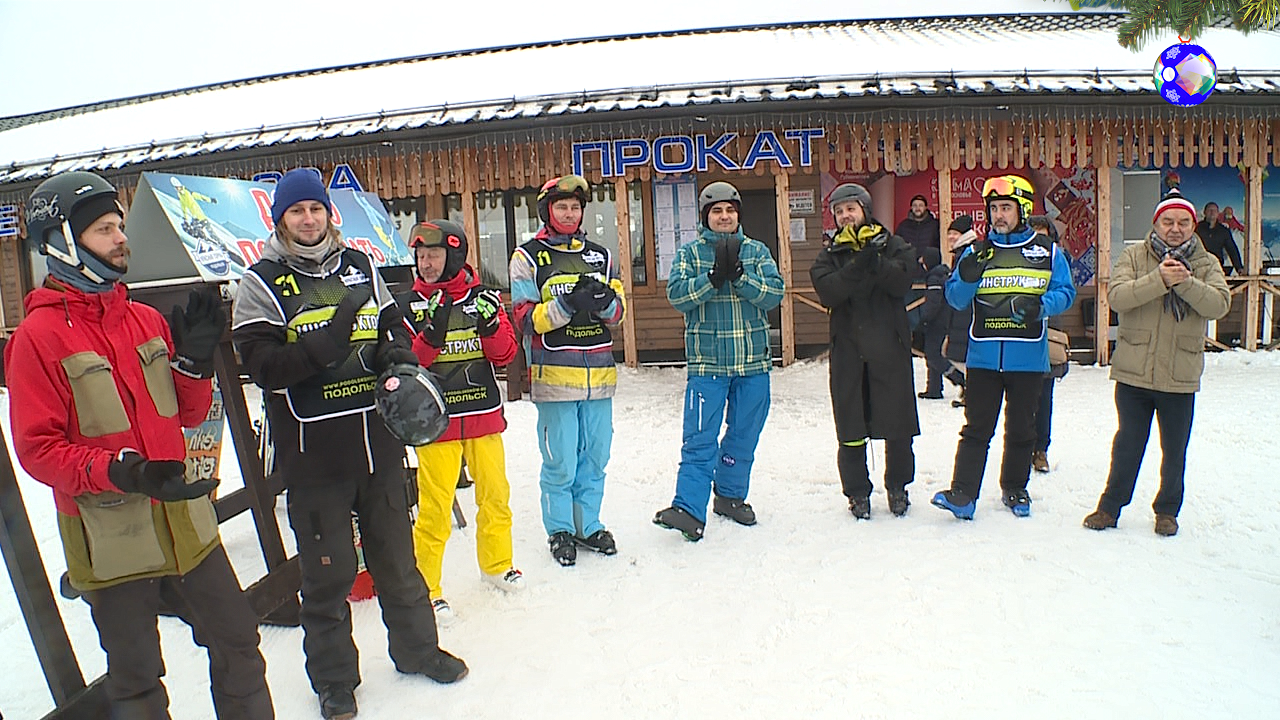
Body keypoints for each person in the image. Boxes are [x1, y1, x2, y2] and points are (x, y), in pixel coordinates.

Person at [6, 171, 273, 719]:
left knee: (239, 644)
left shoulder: (145, 319)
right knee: (136, 682)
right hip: (110, 538)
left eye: (120, 225)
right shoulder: (38, 339)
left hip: (185, 523)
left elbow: (191, 411)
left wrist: (196, 364)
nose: (121, 238)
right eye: (105, 229)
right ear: (61, 242)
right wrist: (121, 471)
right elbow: (38, 450)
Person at [231, 169, 466, 720]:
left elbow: (393, 329)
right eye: (297, 212)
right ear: (280, 219)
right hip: (314, 457)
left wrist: (396, 355)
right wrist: (325, 346)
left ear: (328, 215)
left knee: (397, 561)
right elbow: (263, 368)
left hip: (377, 444)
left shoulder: (360, 267)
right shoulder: (260, 282)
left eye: (316, 209)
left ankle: (418, 651)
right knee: (328, 575)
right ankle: (335, 681)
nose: (309, 220)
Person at [1083, 188, 1230, 536]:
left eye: (1182, 222)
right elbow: (1118, 297)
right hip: (1134, 372)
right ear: (1156, 224)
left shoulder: (1207, 262)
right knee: (1127, 445)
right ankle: (1109, 508)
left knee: (1174, 449)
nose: (1175, 228)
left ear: (1193, 226)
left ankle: (1167, 511)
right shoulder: (1134, 256)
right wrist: (1159, 280)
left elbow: (1219, 305)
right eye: (1168, 221)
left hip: (1179, 372)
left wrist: (1186, 282)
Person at [398, 219, 522, 625]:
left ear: (454, 255)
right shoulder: (408, 305)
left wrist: (489, 328)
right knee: (434, 509)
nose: (426, 263)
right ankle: (428, 589)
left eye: (433, 255)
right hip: (437, 424)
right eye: (420, 256)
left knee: (495, 495)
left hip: (483, 415)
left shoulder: (484, 295)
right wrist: (429, 337)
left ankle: (497, 563)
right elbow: (408, 366)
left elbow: (505, 355)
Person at [931, 174, 1077, 520]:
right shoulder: (976, 252)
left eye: (1006, 208)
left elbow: (1066, 293)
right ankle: (963, 494)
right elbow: (954, 298)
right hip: (983, 358)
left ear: (1022, 210)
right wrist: (967, 272)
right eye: (994, 208)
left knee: (1022, 428)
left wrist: (1042, 306)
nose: (998, 215)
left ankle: (1015, 488)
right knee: (976, 428)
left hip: (1027, 358)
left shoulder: (1048, 252)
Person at [654, 181, 785, 539]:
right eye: (716, 211)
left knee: (743, 435)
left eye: (730, 210)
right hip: (707, 366)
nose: (724, 216)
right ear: (705, 217)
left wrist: (741, 278)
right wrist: (711, 279)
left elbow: (774, 294)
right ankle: (688, 509)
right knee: (699, 439)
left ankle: (729, 496)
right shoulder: (690, 254)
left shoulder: (756, 252)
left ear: (737, 214)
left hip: (752, 363)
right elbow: (678, 296)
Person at [508, 175, 626, 566]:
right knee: (561, 460)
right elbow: (524, 319)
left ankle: (587, 523)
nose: (569, 213)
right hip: (555, 379)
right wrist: (568, 306)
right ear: (547, 210)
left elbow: (619, 315)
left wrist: (604, 301)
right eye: (562, 207)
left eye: (575, 207)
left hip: (599, 378)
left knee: (595, 456)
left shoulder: (602, 256)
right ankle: (559, 528)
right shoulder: (527, 257)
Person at [810, 183, 919, 519]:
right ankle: (857, 492)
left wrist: (878, 261)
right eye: (840, 212)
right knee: (851, 426)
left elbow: (902, 283)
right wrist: (858, 264)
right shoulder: (828, 256)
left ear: (865, 210)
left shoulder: (894, 245)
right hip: (849, 352)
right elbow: (829, 292)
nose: (846, 216)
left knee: (898, 425)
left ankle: (898, 487)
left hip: (891, 348)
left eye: (851, 209)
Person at [1026, 215, 1071, 474]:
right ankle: (1021, 448)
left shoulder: (1058, 261)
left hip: (1048, 332)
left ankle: (1040, 449)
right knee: (1021, 401)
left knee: (1044, 397)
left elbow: (1065, 295)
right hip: (1019, 337)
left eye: (1044, 236)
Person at [943, 215, 977, 408]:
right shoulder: (960, 252)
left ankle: (971, 393)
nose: (951, 238)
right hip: (959, 312)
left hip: (967, 312)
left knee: (961, 355)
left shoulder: (968, 252)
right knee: (957, 354)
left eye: (955, 234)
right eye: (949, 234)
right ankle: (968, 390)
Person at [916, 245, 952, 401]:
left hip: (936, 322)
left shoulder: (934, 278)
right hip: (943, 320)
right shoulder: (941, 274)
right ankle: (934, 388)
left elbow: (933, 303)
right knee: (933, 353)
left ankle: (959, 379)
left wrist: (924, 319)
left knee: (933, 355)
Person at [1195, 202, 1244, 276]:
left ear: (1218, 213)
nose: (1212, 213)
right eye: (1210, 210)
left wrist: (1239, 268)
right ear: (1204, 212)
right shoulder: (1197, 229)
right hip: (1198, 268)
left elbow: (1232, 249)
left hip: (1217, 268)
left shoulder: (1223, 231)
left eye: (1214, 211)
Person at [895, 193, 941, 259]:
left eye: (921, 205)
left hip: (929, 266)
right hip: (908, 266)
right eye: (915, 205)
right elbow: (897, 247)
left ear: (926, 207)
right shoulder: (903, 226)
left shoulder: (935, 225)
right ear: (911, 207)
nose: (917, 208)